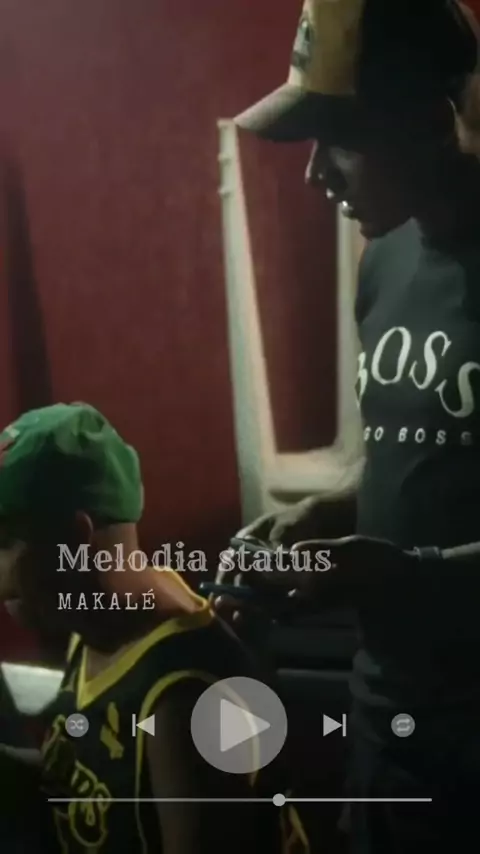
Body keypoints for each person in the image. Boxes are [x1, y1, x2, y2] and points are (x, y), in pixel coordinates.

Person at [225, 1, 480, 852]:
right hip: (384, 734)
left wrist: (399, 575)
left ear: (426, 118)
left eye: (339, 140)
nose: (314, 176)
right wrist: (327, 513)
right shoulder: (388, 262)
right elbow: (421, 460)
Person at [0, 402, 307, 854]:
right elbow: (94, 783)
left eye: (4, 541)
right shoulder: (101, 623)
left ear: (75, 537)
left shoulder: (182, 699)